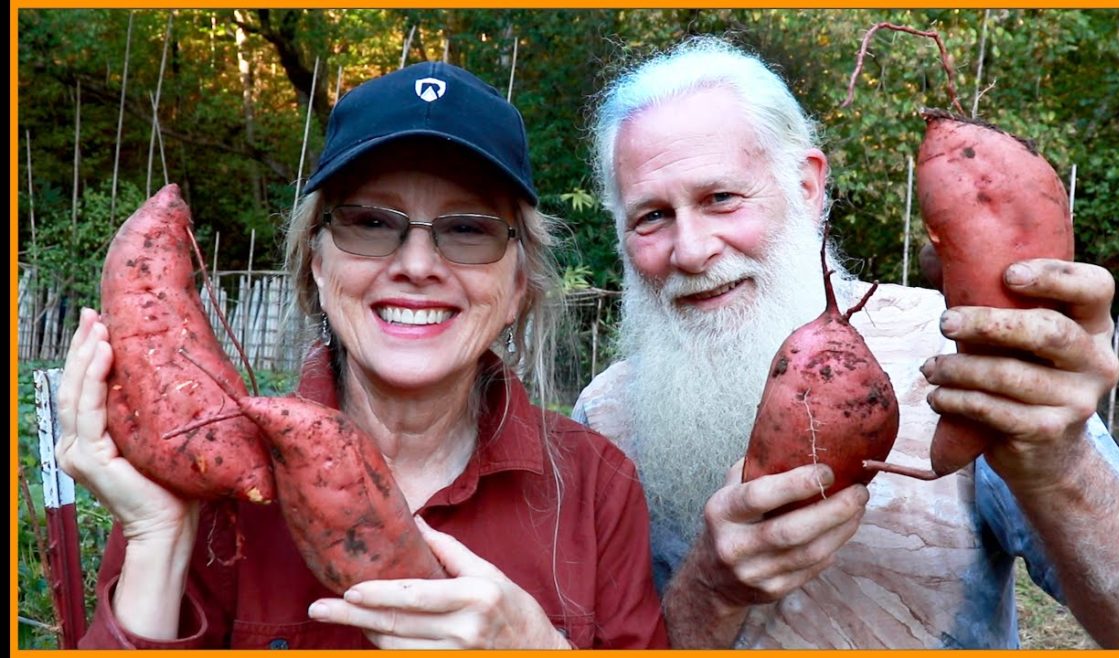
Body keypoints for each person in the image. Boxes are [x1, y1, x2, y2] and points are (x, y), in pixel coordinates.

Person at [57, 60, 668, 649]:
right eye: (371, 222)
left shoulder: (596, 487)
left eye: (467, 228)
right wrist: (157, 536)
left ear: (515, 287)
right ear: (318, 265)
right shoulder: (209, 482)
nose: (417, 266)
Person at [573, 35, 1119, 649]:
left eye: (722, 198)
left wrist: (1058, 464)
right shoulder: (603, 418)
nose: (690, 251)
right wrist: (711, 590)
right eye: (651, 216)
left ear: (807, 186)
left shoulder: (969, 351)